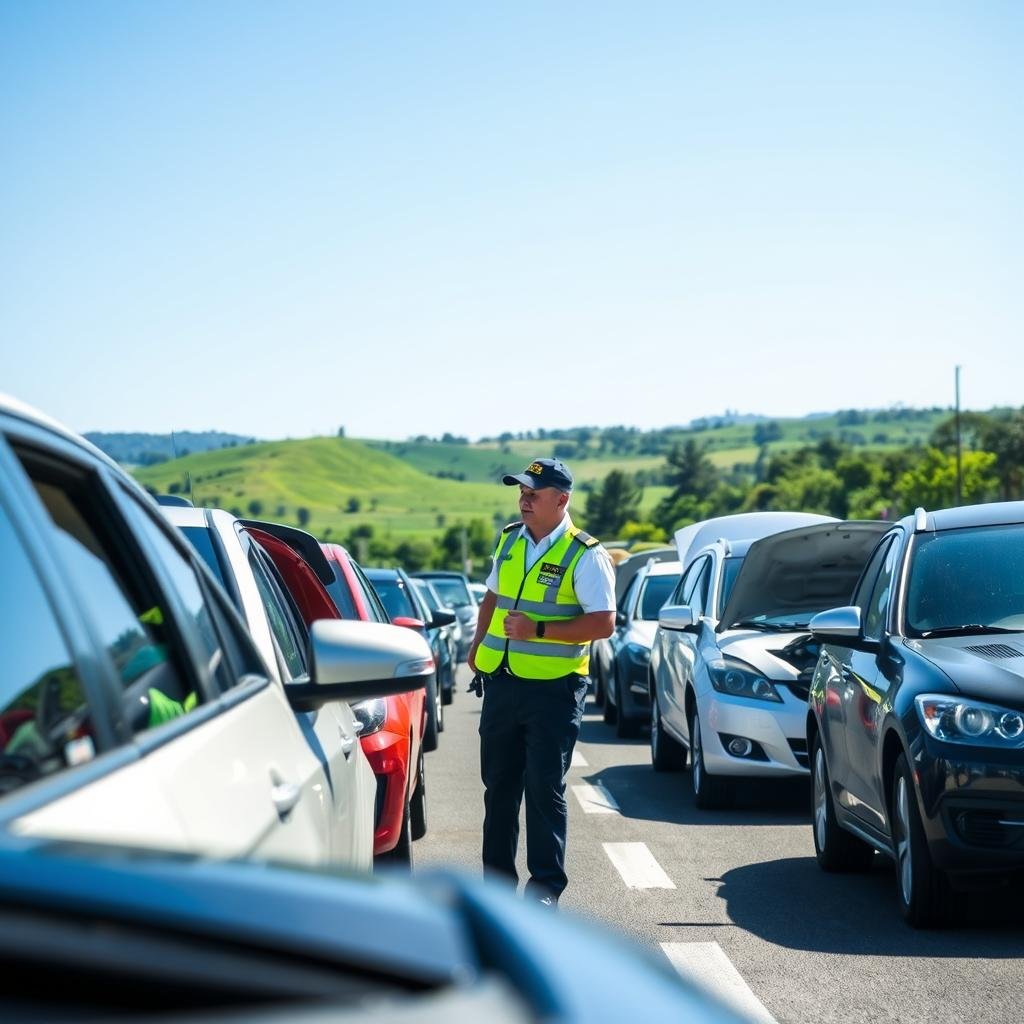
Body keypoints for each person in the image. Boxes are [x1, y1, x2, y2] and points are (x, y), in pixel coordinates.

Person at [468, 458, 615, 907]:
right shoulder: (510, 539)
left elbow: (603, 623)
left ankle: (544, 891)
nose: (524, 499)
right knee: (499, 788)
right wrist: (476, 648)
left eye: (534, 493)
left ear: (562, 500)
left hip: (554, 690)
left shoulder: (585, 554)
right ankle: (495, 891)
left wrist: (538, 631)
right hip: (501, 683)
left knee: (544, 789)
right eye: (521, 491)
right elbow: (492, 596)